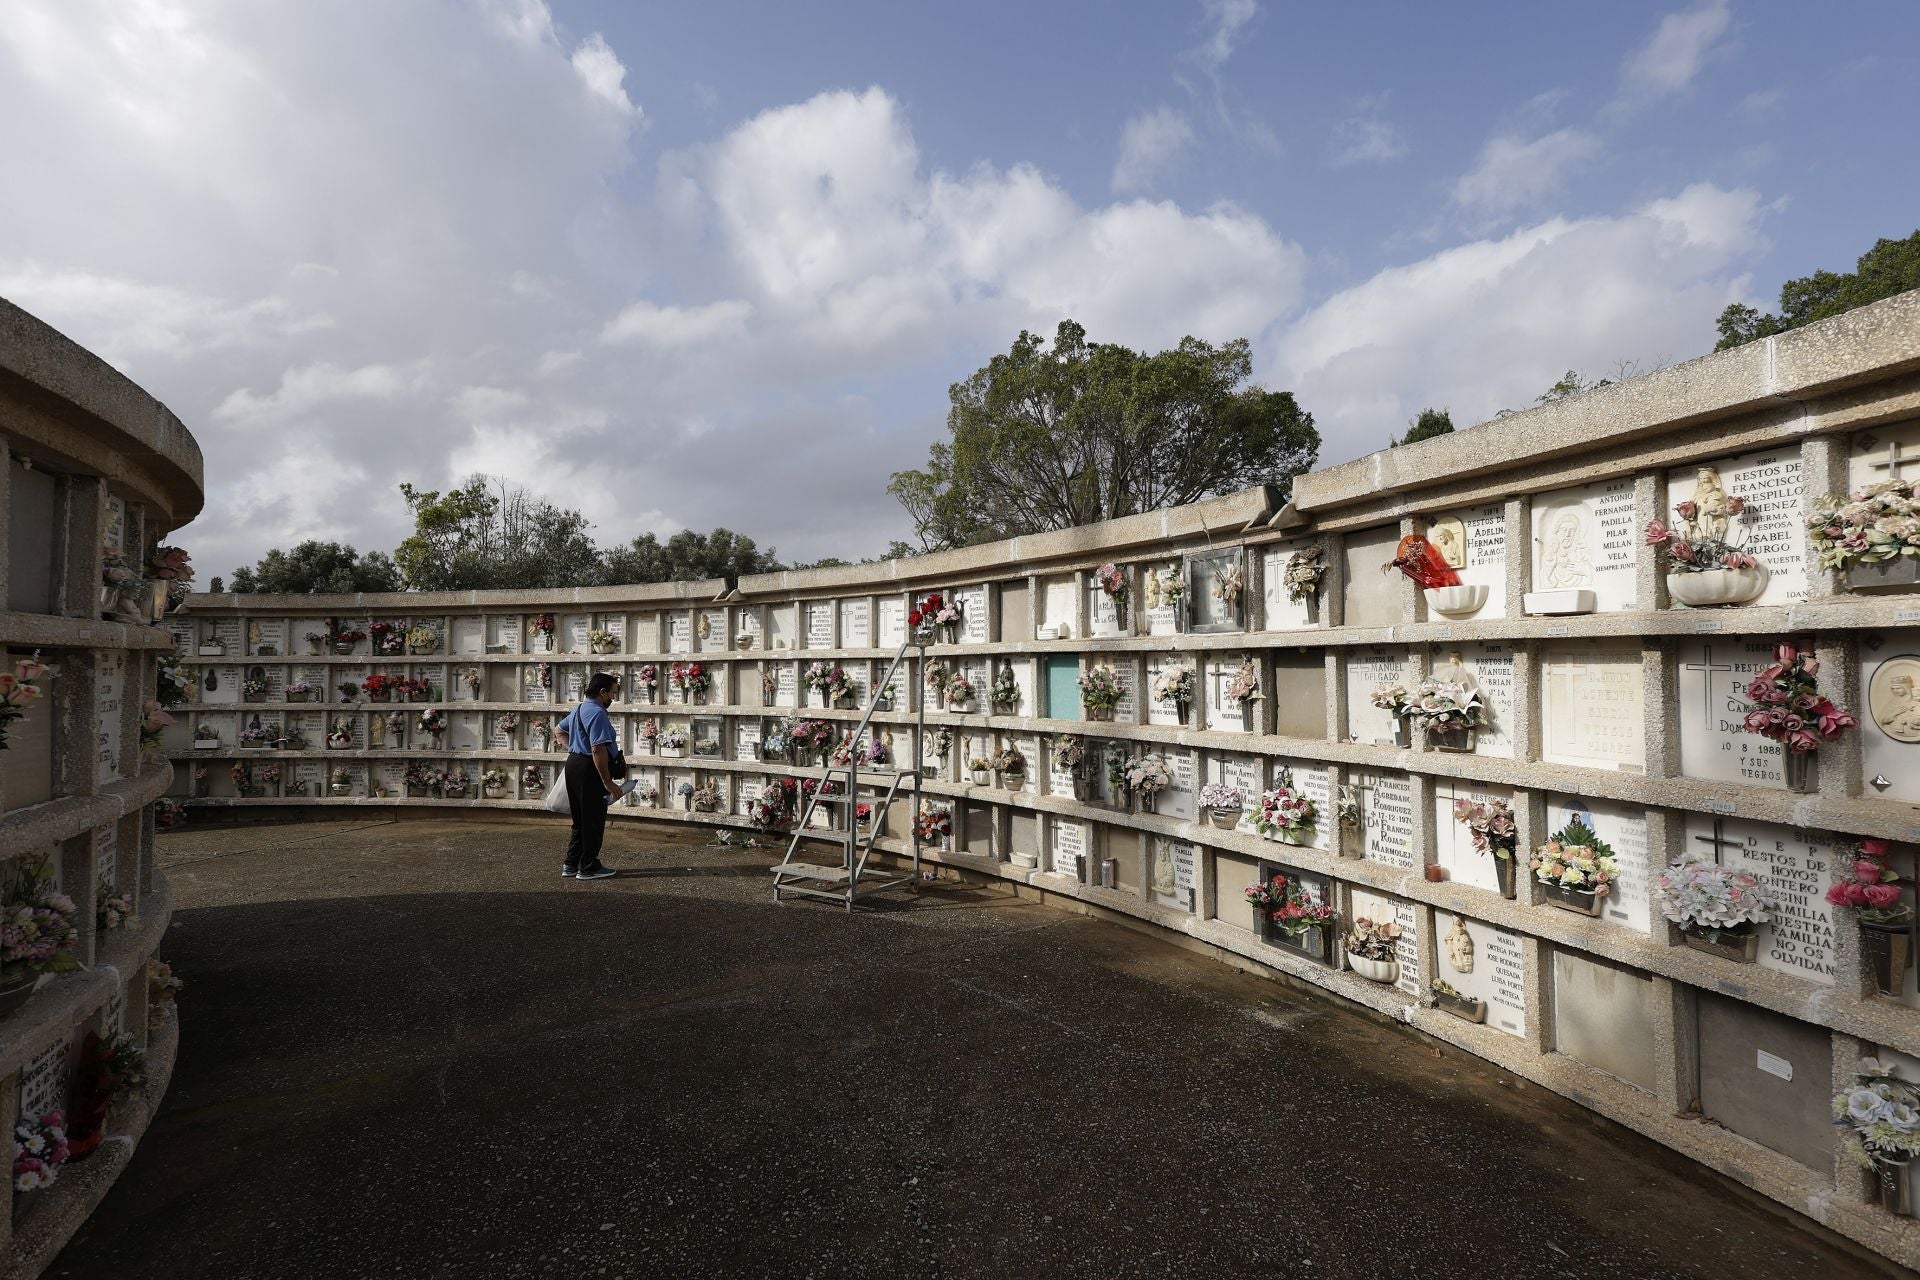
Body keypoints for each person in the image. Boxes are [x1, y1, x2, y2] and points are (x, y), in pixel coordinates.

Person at [554, 672, 624, 880]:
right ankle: (588, 866)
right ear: (602, 692)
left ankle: (571, 863)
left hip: (574, 765)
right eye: (612, 693)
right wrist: (607, 781)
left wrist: (575, 750)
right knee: (593, 819)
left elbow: (558, 731)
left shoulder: (579, 709)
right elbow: (597, 749)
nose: (613, 698)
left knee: (580, 820)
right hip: (589, 769)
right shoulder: (597, 712)